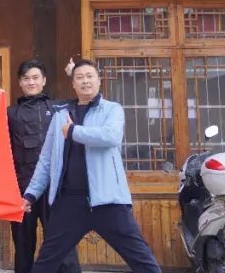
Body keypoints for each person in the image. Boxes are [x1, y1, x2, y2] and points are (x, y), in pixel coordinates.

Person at [24, 59, 162, 273]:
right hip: (69, 202)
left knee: (141, 259)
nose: (85, 81)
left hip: (108, 201)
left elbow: (111, 136)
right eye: (79, 77)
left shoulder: (112, 109)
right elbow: (46, 159)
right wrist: (31, 194)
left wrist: (74, 131)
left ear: (99, 80)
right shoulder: (61, 115)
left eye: (90, 76)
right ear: (73, 84)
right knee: (45, 262)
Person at [8, 60, 81, 273]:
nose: (31, 82)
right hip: (22, 190)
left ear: (44, 80)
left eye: (35, 77)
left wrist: (74, 74)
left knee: (61, 243)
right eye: (26, 78)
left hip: (55, 188)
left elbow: (86, 101)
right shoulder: (10, 113)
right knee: (23, 245)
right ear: (20, 82)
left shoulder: (59, 109)